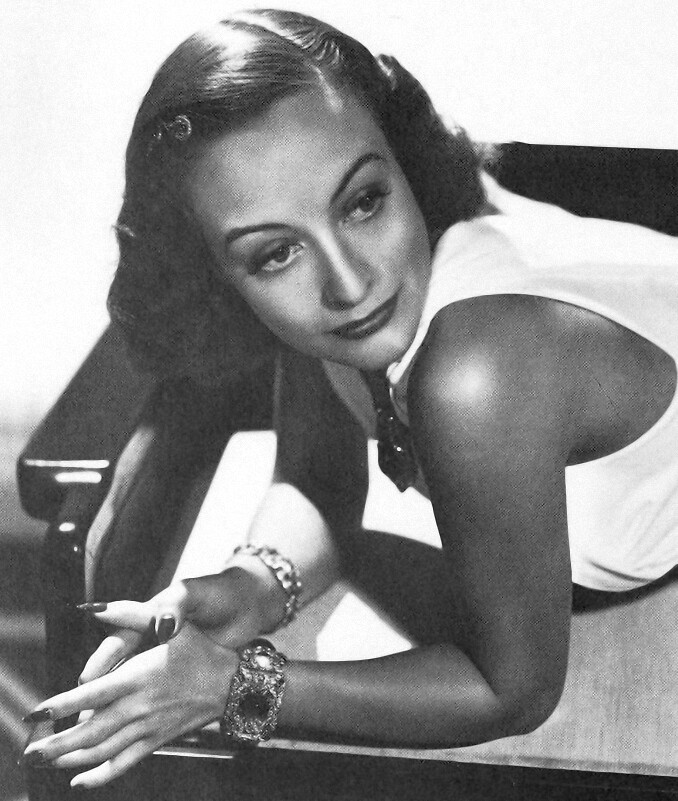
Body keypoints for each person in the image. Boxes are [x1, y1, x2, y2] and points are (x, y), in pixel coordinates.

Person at [22, 8, 678, 790]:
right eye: (276, 252)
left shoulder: (479, 373)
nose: (347, 281)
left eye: (362, 201)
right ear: (217, 276)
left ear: (402, 161)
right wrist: (256, 584)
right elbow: (321, 480)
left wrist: (233, 687)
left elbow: (514, 689)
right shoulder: (358, 301)